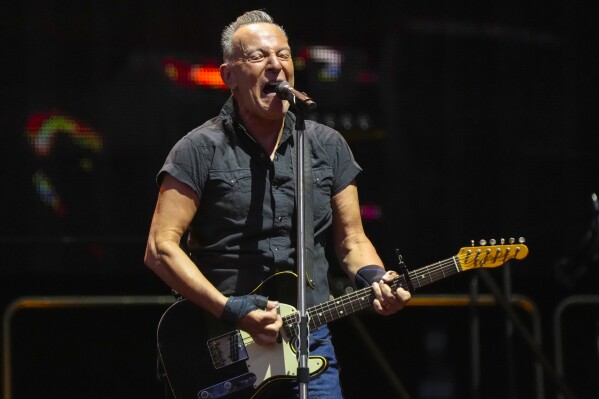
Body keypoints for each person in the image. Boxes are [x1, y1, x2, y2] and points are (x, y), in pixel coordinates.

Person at [144, 9, 411, 398]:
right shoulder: (199, 150)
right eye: (258, 57)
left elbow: (352, 240)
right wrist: (230, 309)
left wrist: (375, 279)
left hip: (308, 342)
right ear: (228, 77)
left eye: (283, 56)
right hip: (224, 344)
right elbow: (160, 248)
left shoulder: (326, 145)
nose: (275, 67)